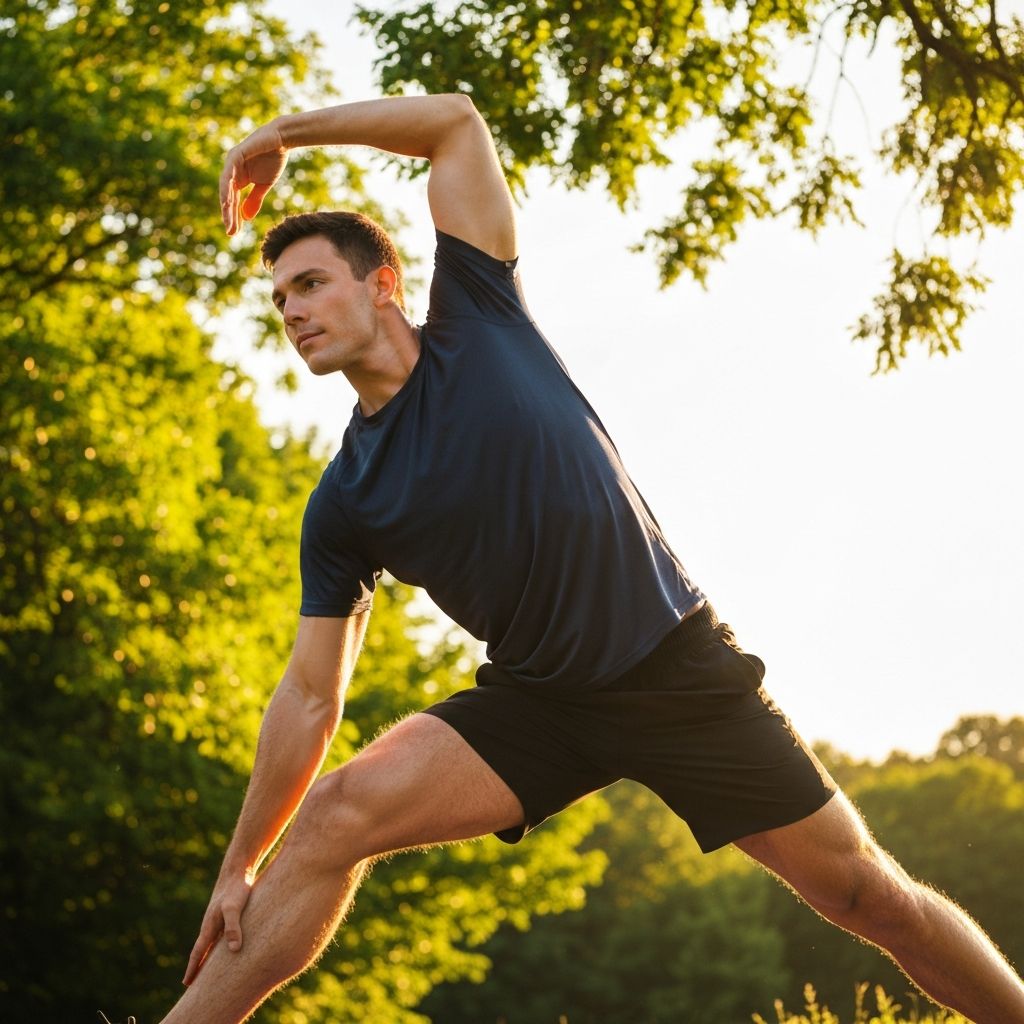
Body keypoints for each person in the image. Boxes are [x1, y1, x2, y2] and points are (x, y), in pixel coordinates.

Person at [147, 94, 1024, 1024]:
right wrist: (239, 865)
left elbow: (455, 123)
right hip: (542, 703)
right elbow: (311, 696)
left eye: (311, 283)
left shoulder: (481, 318)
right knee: (333, 818)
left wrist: (286, 132)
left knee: (868, 896)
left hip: (678, 668)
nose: (291, 309)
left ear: (383, 284)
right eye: (279, 296)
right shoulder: (346, 499)